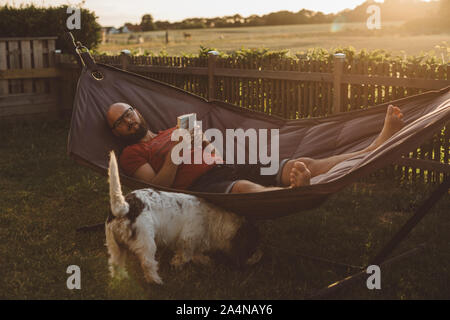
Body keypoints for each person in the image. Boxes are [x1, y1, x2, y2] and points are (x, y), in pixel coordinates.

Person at [106, 102, 404, 193]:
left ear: (137, 111)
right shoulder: (132, 154)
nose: (128, 121)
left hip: (227, 163)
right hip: (203, 184)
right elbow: (158, 187)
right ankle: (294, 193)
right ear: (116, 132)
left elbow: (209, 148)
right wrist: (174, 156)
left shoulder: (171, 128)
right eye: (120, 122)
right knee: (247, 191)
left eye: (129, 113)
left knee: (304, 161)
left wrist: (202, 140)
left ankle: (374, 147)